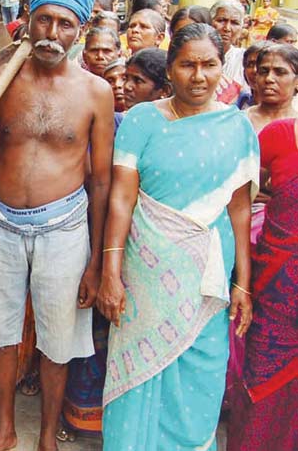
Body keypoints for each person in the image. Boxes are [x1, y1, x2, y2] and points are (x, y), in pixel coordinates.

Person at [0, 0, 114, 451]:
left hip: (65, 228)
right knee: (1, 331)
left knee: (59, 338)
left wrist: (95, 261)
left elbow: (102, 179)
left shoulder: (96, 92)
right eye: (43, 20)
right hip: (2, 222)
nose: (52, 33)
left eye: (64, 25)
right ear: (27, 21)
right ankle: (6, 428)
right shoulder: (1, 79)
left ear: (81, 30)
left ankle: (47, 435)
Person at [97, 23, 259, 451]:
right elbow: (121, 199)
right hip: (145, 275)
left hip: (205, 276)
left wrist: (243, 281)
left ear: (223, 69)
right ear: (171, 68)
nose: (199, 75)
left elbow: (239, 208)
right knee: (138, 373)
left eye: (209, 65)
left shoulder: (237, 127)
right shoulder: (142, 119)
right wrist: (110, 274)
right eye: (188, 64)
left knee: (200, 369)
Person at [228, 52, 298, 449]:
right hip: (275, 286)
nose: (271, 78)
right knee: (261, 381)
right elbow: (241, 198)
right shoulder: (279, 135)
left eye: (281, 72)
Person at [245, 45, 298, 133]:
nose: (268, 78)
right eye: (263, 72)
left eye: (280, 72)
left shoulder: (296, 126)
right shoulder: (239, 121)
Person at [210, 0, 248, 104]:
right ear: (210, 22)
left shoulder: (244, 60)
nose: (227, 28)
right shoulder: (195, 55)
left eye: (234, 23)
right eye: (221, 20)